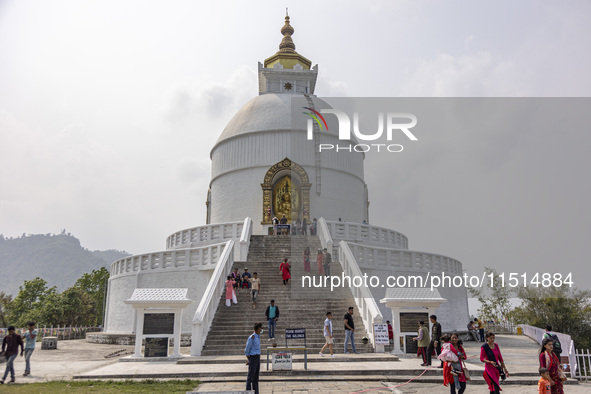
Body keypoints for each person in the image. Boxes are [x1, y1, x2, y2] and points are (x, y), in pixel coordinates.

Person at [245, 322, 263, 394]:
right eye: (261, 328)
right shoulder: (252, 337)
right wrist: (249, 359)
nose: (262, 330)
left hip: (257, 358)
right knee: (250, 377)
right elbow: (247, 350)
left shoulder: (258, 337)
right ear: (258, 329)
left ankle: (256, 392)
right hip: (253, 358)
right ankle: (248, 392)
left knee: (256, 377)